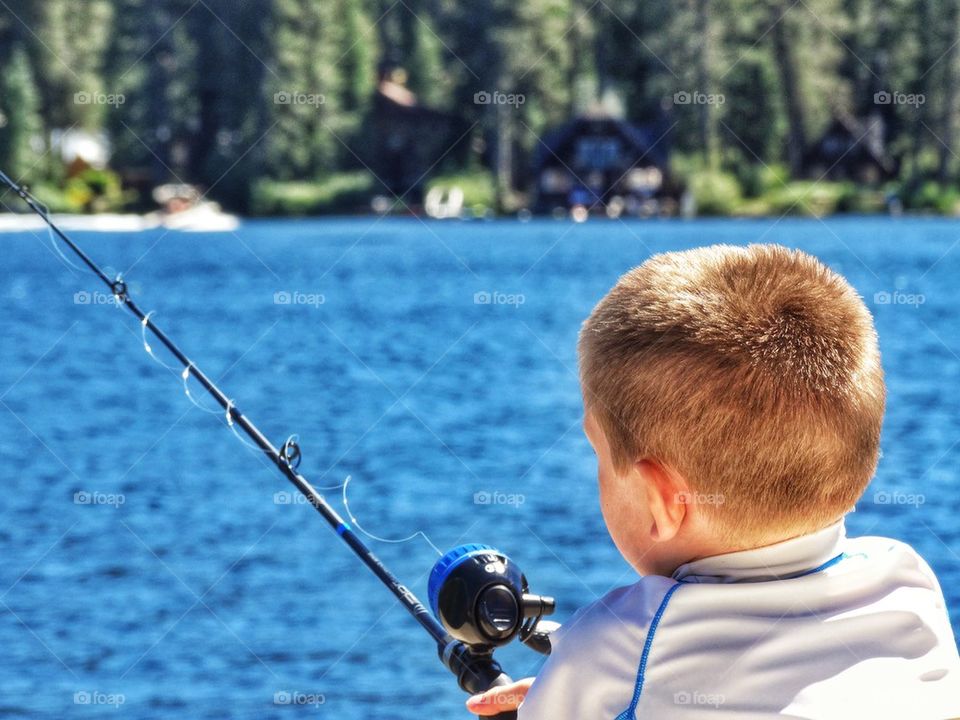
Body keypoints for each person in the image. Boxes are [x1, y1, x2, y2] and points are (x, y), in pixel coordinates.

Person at [466, 245, 960, 719]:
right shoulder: (906, 578)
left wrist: (575, 688)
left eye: (597, 450)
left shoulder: (617, 646)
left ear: (664, 501)